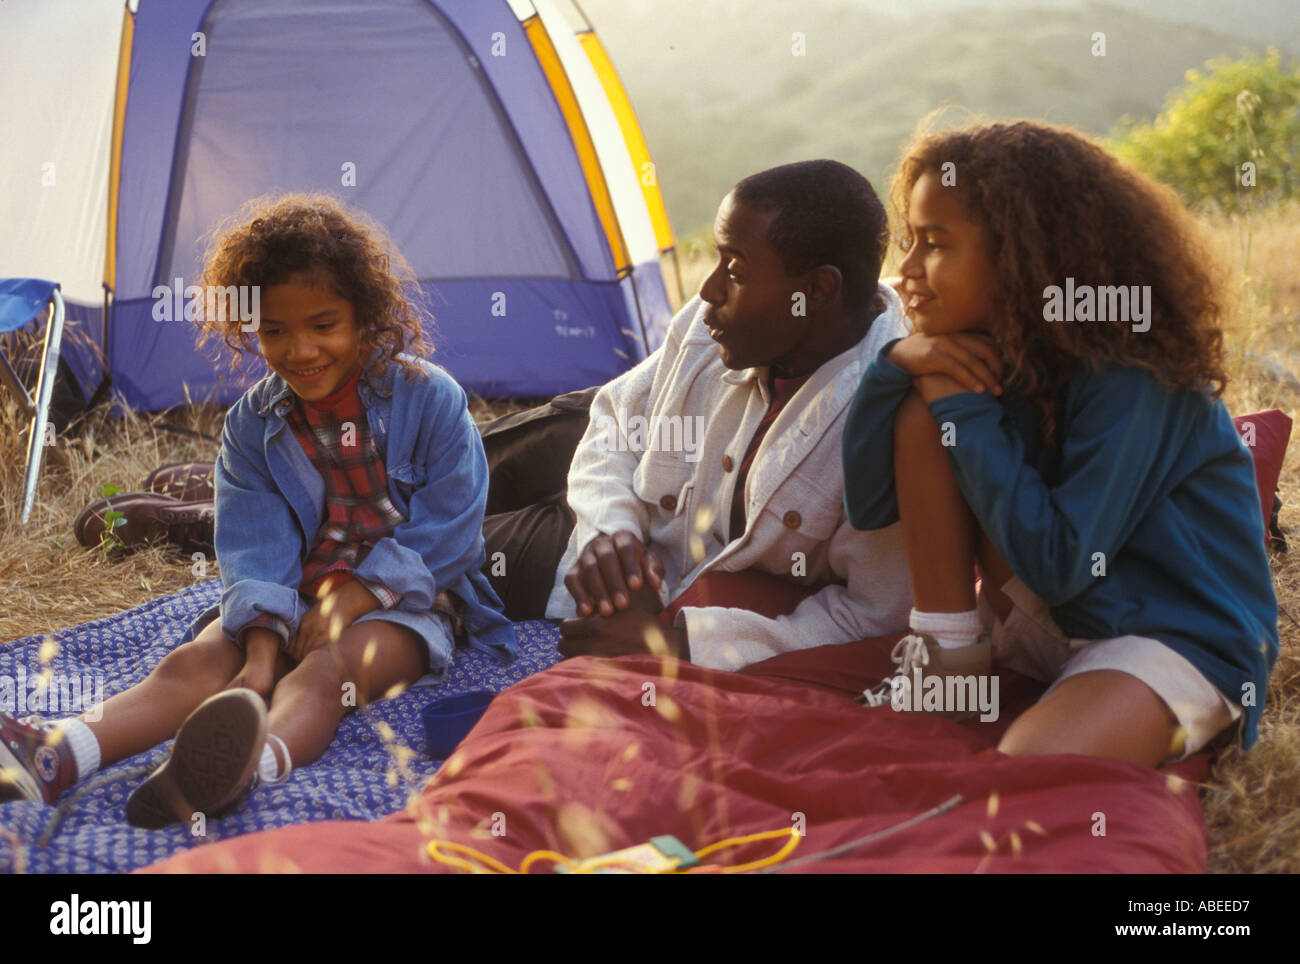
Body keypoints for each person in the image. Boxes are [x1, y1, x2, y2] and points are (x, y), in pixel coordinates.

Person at [1, 194, 514, 824]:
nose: (300, 351)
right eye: (274, 331)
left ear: (365, 317)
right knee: (197, 662)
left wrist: (352, 602)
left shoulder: (431, 400)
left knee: (328, 671)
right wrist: (263, 653)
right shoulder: (254, 425)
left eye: (323, 325)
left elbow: (450, 535)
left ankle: (245, 768)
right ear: (250, 329)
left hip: (409, 601)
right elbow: (255, 546)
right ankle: (57, 755)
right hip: (295, 593)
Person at [841, 120, 1278, 766]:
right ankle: (948, 669)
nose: (904, 270)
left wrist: (956, 400)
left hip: (1171, 638)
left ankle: (1152, 722)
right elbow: (869, 505)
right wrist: (896, 367)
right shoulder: (995, 350)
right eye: (909, 241)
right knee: (922, 414)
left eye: (933, 244)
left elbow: (1061, 564)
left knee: (1031, 767)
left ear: (1024, 258)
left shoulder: (1138, 376)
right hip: (1055, 620)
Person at [546, 160, 913, 668]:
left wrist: (682, 648)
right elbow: (612, 423)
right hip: (597, 515)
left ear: (819, 290)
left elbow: (874, 616)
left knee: (463, 551)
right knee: (459, 491)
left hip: (659, 591)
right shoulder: (709, 325)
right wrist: (612, 533)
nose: (709, 291)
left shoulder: (889, 420)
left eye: (735, 270)